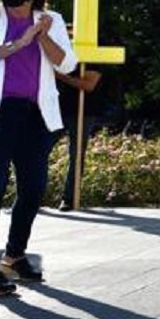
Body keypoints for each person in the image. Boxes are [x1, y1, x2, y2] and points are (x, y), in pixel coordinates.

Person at [0, 0, 77, 298]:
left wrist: (40, 36)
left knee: (33, 188)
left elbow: (67, 64)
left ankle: (14, 256)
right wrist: (18, 43)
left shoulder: (50, 20)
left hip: (35, 115)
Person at [54, 66, 102, 211]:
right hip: (56, 108)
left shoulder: (94, 54)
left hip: (83, 112)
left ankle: (69, 198)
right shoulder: (64, 48)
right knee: (37, 150)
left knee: (76, 154)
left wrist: (59, 75)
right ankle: (30, 195)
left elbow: (89, 85)